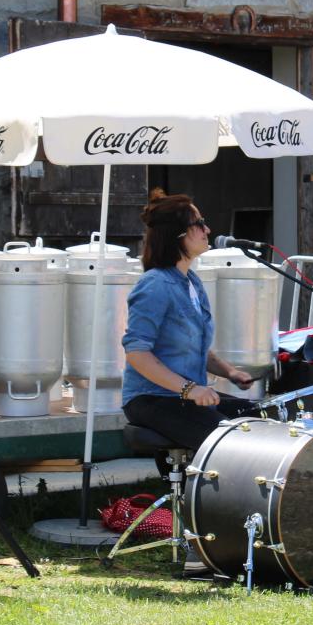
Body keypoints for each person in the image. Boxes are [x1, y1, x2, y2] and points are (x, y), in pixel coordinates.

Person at [122, 190, 255, 452]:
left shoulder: (191, 281)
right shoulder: (154, 285)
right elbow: (136, 353)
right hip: (152, 398)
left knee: (260, 417)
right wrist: (190, 390)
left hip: (183, 396)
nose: (207, 229)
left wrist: (230, 372)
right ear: (178, 234)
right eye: (198, 223)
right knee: (232, 445)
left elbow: (193, 347)